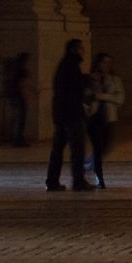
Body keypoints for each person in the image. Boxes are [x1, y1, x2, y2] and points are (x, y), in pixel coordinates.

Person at [46, 39, 93, 191]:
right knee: (77, 149)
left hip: (60, 114)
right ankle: (78, 181)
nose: (83, 51)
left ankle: (52, 181)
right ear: (74, 49)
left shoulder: (64, 65)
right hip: (72, 114)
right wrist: (87, 81)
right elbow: (74, 89)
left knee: (57, 150)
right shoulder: (71, 66)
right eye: (81, 48)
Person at [86, 53, 125, 189]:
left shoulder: (115, 80)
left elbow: (119, 99)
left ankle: (88, 165)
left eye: (109, 62)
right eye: (104, 62)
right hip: (94, 119)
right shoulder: (91, 79)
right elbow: (87, 97)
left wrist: (102, 96)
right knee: (97, 148)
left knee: (106, 146)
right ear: (98, 63)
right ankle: (99, 177)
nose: (107, 65)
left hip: (109, 118)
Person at [7, 53, 33, 147]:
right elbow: (23, 85)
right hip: (20, 98)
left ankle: (14, 138)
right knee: (20, 120)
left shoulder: (14, 70)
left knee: (15, 119)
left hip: (13, 97)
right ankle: (18, 140)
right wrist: (26, 97)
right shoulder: (22, 71)